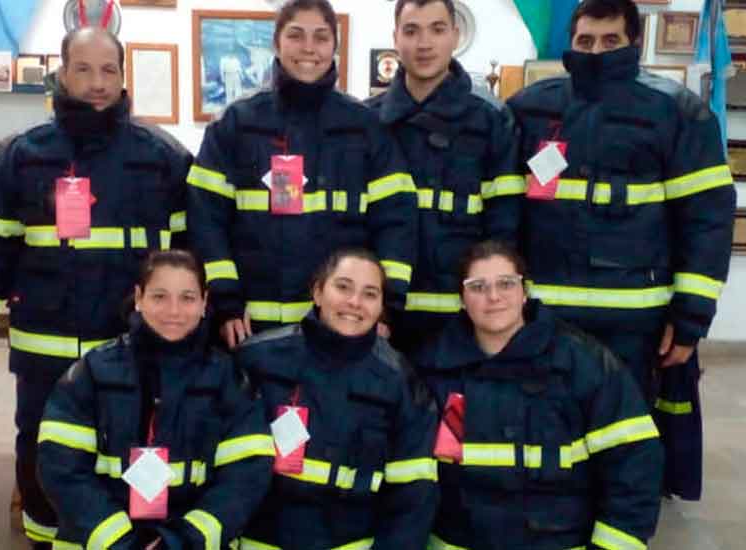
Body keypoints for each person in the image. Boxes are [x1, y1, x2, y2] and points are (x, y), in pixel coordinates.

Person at [0, 27, 194, 547]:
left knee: (134, 446)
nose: (97, 83)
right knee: (43, 446)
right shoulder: (20, 157)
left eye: (109, 70)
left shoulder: (162, 157)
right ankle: (44, 535)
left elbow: (192, 253)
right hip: (45, 346)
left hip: (133, 347)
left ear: (124, 77)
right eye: (83, 68)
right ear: (61, 73)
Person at [507, 0, 736, 398]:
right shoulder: (530, 109)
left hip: (634, 324)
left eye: (611, 40)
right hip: (543, 317)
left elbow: (708, 224)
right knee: (548, 436)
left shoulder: (679, 114)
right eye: (586, 40)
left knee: (625, 443)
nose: (596, 52)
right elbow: (503, 213)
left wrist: (690, 318)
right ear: (570, 42)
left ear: (636, 42)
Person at [188, 0, 417, 349]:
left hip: (339, 326)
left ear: (335, 47)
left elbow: (396, 221)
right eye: (296, 35)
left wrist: (386, 308)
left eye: (321, 37)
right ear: (277, 43)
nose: (308, 47)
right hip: (250, 328)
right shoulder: (236, 124)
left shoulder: (365, 128)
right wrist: (225, 302)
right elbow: (206, 219)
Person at [415, 240, 663, 550]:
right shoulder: (433, 370)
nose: (493, 297)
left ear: (524, 291)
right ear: (462, 299)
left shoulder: (584, 365)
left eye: (506, 283)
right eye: (478, 286)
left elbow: (634, 467)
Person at [37, 250, 273, 550]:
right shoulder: (91, 372)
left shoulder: (231, 380)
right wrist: (122, 542)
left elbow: (245, 477)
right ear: (138, 297)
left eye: (187, 298)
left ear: (204, 302)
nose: (173, 310)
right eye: (159, 296)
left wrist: (182, 541)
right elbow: (61, 468)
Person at [235, 248, 438, 549]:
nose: (354, 302)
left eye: (370, 294)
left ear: (381, 306)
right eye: (343, 287)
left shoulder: (400, 380)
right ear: (317, 292)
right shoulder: (257, 359)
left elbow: (413, 495)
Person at [366, 0, 523, 355]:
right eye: (412, 30)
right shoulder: (368, 122)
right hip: (384, 319)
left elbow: (504, 228)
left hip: (462, 319)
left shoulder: (492, 121)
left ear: (455, 35)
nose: (424, 44)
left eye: (437, 29)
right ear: (395, 38)